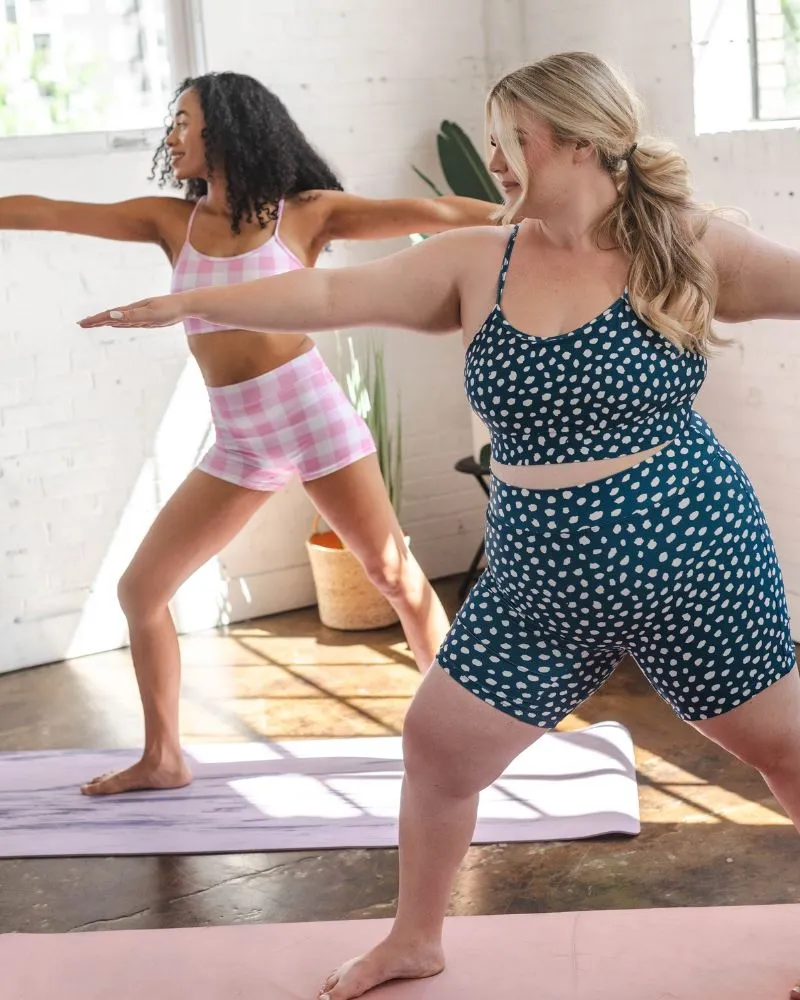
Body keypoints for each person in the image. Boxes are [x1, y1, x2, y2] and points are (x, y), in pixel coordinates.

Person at [80, 52, 800, 1000]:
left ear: (580, 138)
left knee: (783, 750)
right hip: (541, 580)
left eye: (512, 138)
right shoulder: (480, 260)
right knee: (439, 745)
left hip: (691, 558)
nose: (495, 159)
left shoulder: (684, 245)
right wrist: (193, 300)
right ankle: (416, 938)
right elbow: (334, 296)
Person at [2, 71, 498, 797]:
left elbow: (436, 208)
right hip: (239, 438)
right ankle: (164, 758)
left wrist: (539, 214)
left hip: (309, 414)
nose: (170, 137)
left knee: (393, 574)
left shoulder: (303, 213)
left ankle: (462, 736)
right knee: (142, 590)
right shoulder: (168, 221)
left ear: (226, 130)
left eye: (183, 122)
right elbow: (46, 210)